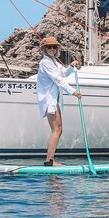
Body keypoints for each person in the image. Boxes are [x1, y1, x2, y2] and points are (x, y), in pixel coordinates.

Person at [36, 36, 82, 166]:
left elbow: (63, 73)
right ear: (45, 49)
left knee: (58, 129)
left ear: (57, 49)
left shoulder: (53, 61)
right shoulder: (45, 62)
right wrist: (73, 92)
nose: (52, 49)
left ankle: (50, 160)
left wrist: (71, 67)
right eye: (49, 47)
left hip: (53, 100)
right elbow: (58, 80)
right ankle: (49, 160)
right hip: (49, 100)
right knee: (57, 129)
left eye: (54, 47)